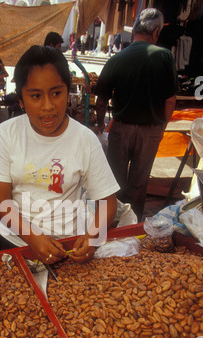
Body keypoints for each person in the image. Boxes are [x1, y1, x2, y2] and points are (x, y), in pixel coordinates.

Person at [0, 45, 119, 265]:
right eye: (35, 96)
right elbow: (0, 201)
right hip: (15, 241)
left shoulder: (85, 139)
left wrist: (93, 237)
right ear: (21, 100)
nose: (48, 106)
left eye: (56, 93)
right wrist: (31, 237)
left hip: (68, 246)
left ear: (68, 92)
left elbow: (107, 201)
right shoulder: (6, 134)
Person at [93, 8, 178, 222]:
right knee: (139, 184)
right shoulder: (165, 57)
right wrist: (161, 127)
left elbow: (101, 100)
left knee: (114, 180)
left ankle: (111, 223)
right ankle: (133, 227)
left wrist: (100, 124)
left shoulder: (117, 58)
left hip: (121, 129)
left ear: (134, 32)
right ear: (156, 32)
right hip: (150, 131)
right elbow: (170, 100)